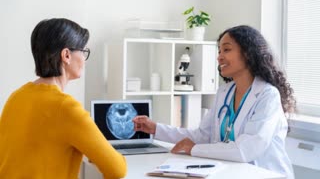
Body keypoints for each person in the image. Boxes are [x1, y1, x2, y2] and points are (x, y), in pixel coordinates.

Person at [133, 25, 296, 179]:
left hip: (264, 174)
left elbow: (246, 150)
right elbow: (202, 136)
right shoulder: (224, 92)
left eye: (226, 49)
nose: (219, 57)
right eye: (219, 51)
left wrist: (194, 149)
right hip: (231, 172)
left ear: (248, 53)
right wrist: (156, 128)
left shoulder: (267, 95)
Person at [0, 18, 127, 179]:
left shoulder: (16, 97)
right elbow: (117, 169)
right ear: (66, 55)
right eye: (83, 51)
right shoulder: (66, 108)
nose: (84, 60)